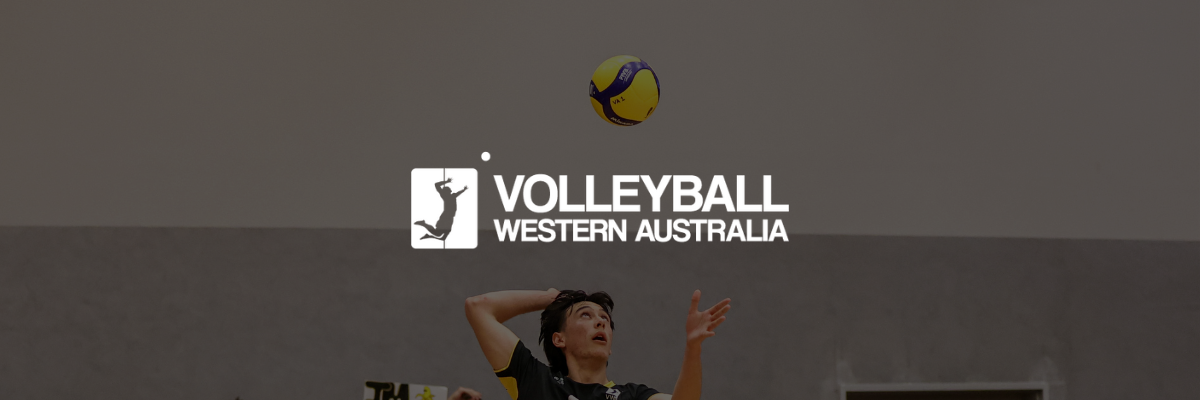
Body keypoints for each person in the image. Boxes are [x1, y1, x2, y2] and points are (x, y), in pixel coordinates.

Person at [464, 288, 731, 400]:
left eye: (605, 319)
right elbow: (478, 307)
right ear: (559, 339)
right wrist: (551, 298)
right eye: (586, 316)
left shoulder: (633, 395)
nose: (601, 323)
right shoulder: (536, 381)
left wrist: (693, 348)